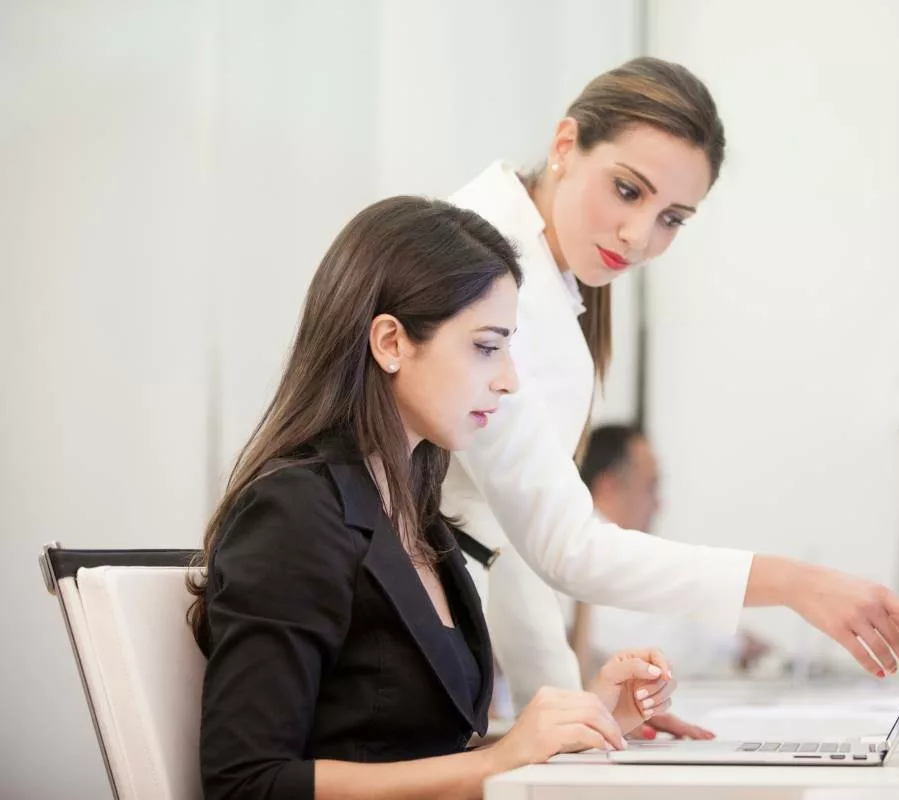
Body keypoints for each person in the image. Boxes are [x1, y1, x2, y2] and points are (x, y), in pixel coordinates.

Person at [442, 56, 899, 736]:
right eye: (626, 190)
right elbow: (563, 546)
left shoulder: (548, 278)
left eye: (672, 217)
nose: (638, 236)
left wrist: (567, 714)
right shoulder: (482, 268)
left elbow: (514, 539)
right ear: (566, 145)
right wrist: (795, 584)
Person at [188, 197, 681, 800]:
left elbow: (420, 750)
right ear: (391, 342)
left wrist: (576, 727)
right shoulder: (294, 515)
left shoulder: (415, 512)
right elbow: (245, 784)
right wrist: (500, 760)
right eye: (486, 347)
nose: (509, 379)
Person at [569, 425, 773, 682]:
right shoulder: (583, 548)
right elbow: (636, 639)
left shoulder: (610, 549)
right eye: (649, 486)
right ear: (608, 486)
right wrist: (733, 646)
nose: (658, 504)